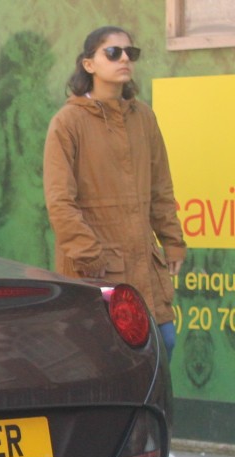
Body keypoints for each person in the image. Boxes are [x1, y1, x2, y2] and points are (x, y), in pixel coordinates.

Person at [43, 25, 186, 358]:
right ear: (88, 64)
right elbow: (60, 201)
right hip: (97, 268)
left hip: (144, 264)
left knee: (164, 342)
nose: (124, 58)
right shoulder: (68, 122)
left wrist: (172, 241)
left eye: (130, 53)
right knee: (105, 355)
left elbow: (161, 187)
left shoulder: (143, 117)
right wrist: (88, 254)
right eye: (113, 52)